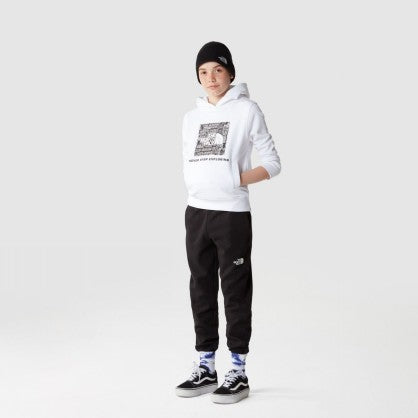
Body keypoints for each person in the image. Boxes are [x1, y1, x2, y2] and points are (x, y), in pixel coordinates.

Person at [175, 41, 281, 404]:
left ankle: (238, 370)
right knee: (200, 288)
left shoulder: (247, 110)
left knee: (235, 291)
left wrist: (234, 180)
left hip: (232, 214)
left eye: (217, 70)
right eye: (203, 72)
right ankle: (206, 366)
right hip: (196, 212)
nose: (211, 78)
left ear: (230, 73)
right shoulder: (191, 118)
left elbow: (273, 162)